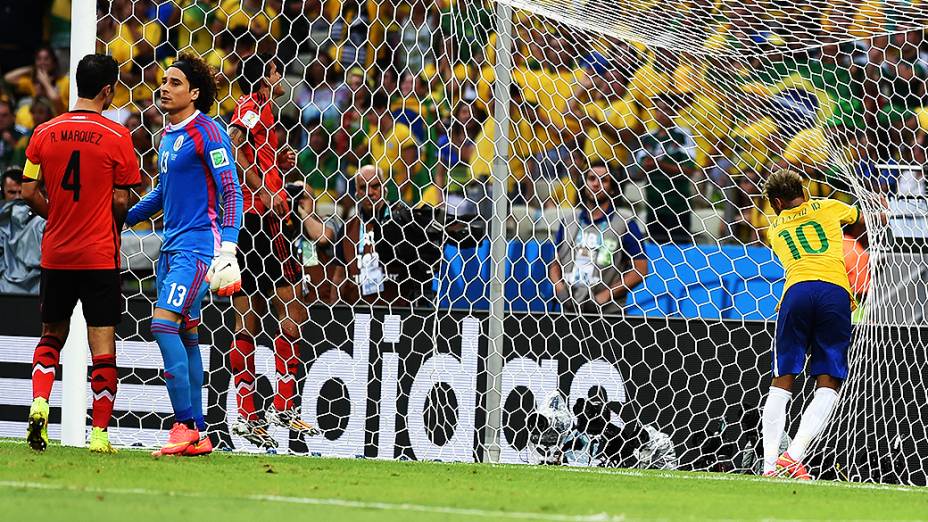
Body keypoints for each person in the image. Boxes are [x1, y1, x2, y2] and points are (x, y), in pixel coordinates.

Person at [20, 54, 141, 454]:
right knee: (102, 346)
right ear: (107, 90)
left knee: (50, 335)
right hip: (99, 255)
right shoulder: (118, 136)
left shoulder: (43, 132)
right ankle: (99, 435)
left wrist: (60, 215)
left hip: (56, 252)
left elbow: (26, 190)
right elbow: (121, 201)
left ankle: (39, 402)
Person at [124, 53, 243, 457]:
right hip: (172, 246)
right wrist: (122, 216)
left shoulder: (209, 132)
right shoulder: (169, 136)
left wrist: (228, 248)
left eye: (175, 83)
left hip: (198, 247)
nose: (164, 87)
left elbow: (231, 191)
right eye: (163, 81)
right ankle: (202, 433)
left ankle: (182, 424)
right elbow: (162, 192)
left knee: (162, 325)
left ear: (194, 93)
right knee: (189, 337)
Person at [226, 53, 318, 449]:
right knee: (292, 304)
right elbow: (234, 139)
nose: (281, 75)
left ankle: (247, 412)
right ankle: (284, 404)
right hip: (265, 218)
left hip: (247, 219)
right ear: (266, 76)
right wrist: (264, 186)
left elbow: (252, 150)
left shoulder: (264, 112)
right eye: (277, 70)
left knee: (248, 314)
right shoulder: (252, 106)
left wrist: (276, 163)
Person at [760, 169, 863, 479]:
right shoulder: (828, 205)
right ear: (803, 192)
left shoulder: (774, 229)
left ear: (777, 202)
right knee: (829, 380)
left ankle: (769, 467)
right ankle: (794, 455)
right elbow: (858, 216)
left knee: (783, 379)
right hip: (834, 293)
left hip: (797, 292)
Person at [549, 160, 648, 315]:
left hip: (609, 314)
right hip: (568, 310)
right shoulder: (568, 222)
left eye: (604, 180)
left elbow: (640, 269)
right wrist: (559, 288)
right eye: (591, 178)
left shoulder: (625, 224)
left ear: (613, 188)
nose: (596, 184)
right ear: (584, 183)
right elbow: (555, 263)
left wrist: (606, 295)